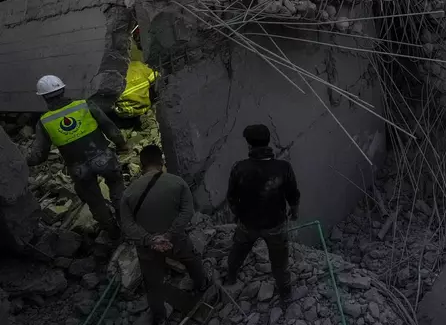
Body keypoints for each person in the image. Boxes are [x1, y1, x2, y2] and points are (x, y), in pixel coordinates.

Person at [26, 75, 128, 239]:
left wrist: (22, 161)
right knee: (117, 187)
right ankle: (127, 224)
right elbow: (108, 126)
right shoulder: (84, 105)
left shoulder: (44, 122)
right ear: (63, 89)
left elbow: (39, 156)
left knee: (95, 202)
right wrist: (122, 144)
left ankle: (113, 234)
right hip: (103, 158)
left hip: (79, 169)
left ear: (44, 97)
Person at [120, 145, 208, 325]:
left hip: (147, 248)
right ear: (161, 161)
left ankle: (159, 318)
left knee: (152, 283)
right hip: (175, 240)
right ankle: (202, 286)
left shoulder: (128, 193)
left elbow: (127, 225)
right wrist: (169, 234)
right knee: (191, 260)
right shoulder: (177, 182)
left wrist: (149, 239)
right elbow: (187, 212)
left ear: (141, 164)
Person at [225, 124, 300, 301]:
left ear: (249, 145)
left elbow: (231, 197)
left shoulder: (240, 168)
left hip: (247, 223)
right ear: (268, 142)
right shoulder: (283, 167)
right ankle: (285, 294)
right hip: (276, 224)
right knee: (280, 263)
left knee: (238, 252)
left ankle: (231, 277)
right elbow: (293, 195)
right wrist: (294, 212)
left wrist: (237, 214)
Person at [111, 27, 158, 128]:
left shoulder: (111, 76)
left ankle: (127, 122)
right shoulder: (138, 66)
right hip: (143, 107)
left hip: (122, 113)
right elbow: (156, 77)